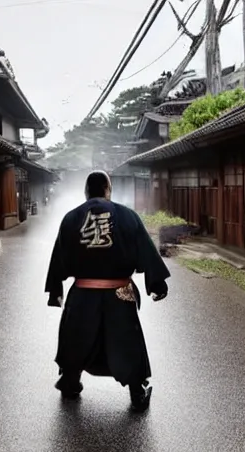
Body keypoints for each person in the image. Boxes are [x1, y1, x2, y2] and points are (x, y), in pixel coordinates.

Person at [45, 170, 170, 412]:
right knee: (127, 341)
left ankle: (69, 381)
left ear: (86, 191)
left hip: (82, 294)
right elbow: (145, 249)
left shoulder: (71, 218)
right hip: (119, 293)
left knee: (75, 339)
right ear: (108, 189)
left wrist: (55, 290)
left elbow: (59, 257)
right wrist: (156, 283)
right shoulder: (127, 216)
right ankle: (137, 391)